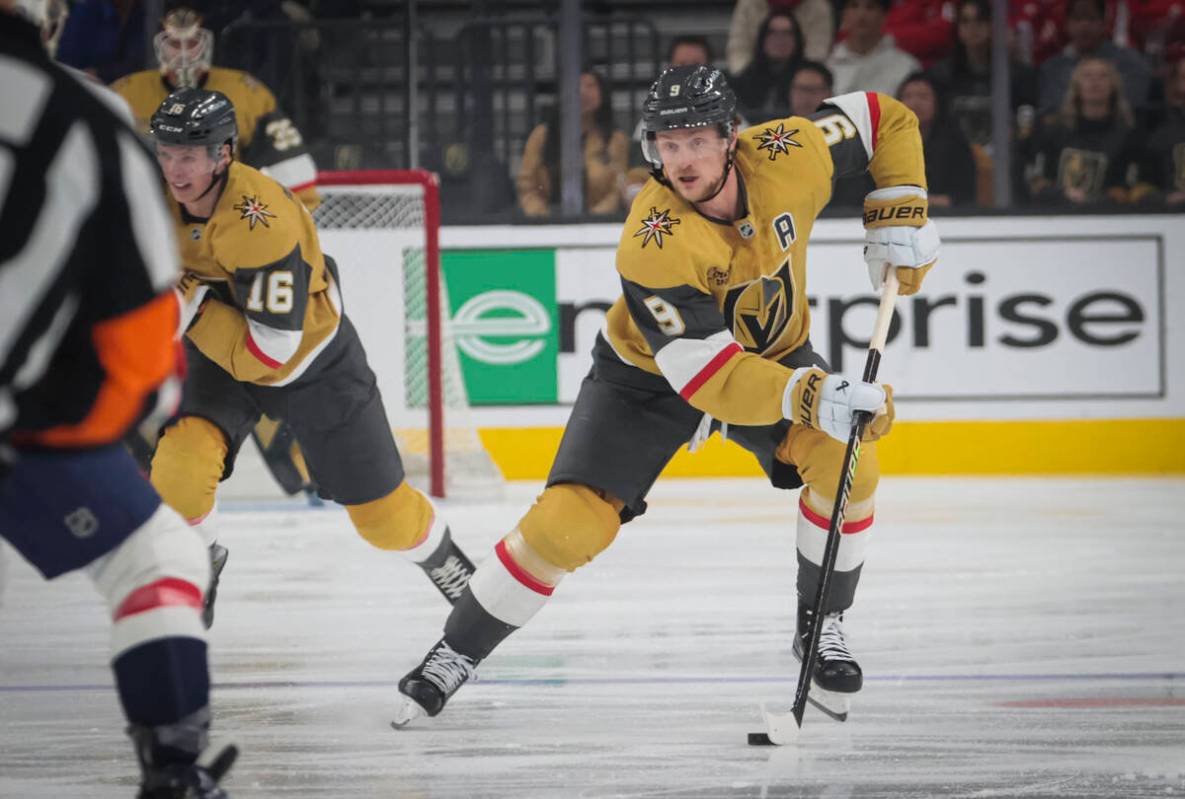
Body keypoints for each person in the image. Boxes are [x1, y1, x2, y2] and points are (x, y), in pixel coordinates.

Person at [392, 65, 940, 727]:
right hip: (648, 381)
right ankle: (455, 650)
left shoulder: (789, 152)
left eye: (694, 142)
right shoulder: (651, 240)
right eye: (666, 143)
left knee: (849, 462)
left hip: (770, 357)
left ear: (730, 136)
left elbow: (886, 119)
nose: (679, 160)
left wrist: (898, 209)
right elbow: (708, 378)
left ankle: (820, 625)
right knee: (566, 525)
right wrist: (814, 391)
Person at [0, 2, 236, 795]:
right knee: (159, 555)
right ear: (49, 18)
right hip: (16, 429)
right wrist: (76, 427)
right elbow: (141, 344)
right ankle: (173, 772)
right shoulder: (87, 114)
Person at [145, 87, 476, 629]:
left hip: (309, 358)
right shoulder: (149, 197)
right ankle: (199, 563)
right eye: (166, 153)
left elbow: (271, 351)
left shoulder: (263, 218)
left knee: (385, 521)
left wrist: (192, 306)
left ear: (224, 154)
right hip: (220, 348)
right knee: (179, 467)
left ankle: (461, 577)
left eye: (190, 155)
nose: (175, 170)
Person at [111, 6, 319, 210]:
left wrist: (293, 214)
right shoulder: (125, 94)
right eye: (175, 43)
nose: (183, 53)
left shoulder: (246, 91)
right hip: (152, 216)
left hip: (226, 214)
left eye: (191, 42)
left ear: (205, 43)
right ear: (160, 46)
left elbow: (287, 163)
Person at [1027, 56, 1153, 204]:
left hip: (1109, 218)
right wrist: (1063, 193)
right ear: (1076, 85)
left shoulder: (1128, 134)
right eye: (1087, 75)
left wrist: (1099, 200)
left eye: (1103, 76)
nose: (1095, 81)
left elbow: (1132, 186)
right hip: (1057, 215)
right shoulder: (1053, 129)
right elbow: (1037, 180)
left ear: (1113, 85)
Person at [517, 68, 629, 217]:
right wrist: (542, 217)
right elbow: (526, 186)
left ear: (602, 94)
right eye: (576, 87)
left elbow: (618, 189)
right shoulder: (541, 135)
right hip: (544, 225)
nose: (583, 92)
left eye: (591, 86)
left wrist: (593, 220)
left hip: (599, 226)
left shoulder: (616, 139)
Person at [926, 0, 1038, 148]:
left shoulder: (1018, 75)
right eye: (966, 21)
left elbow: (1027, 125)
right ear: (958, 29)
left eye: (980, 20)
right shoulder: (941, 74)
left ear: (992, 26)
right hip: (954, 156)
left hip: (1005, 157)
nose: (973, 27)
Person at [1038, 0, 1152, 113]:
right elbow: (1049, 113)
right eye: (1077, 19)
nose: (1084, 25)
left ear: (1104, 24)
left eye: (1091, 19)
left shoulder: (1130, 63)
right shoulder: (1052, 68)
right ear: (1066, 24)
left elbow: (1133, 109)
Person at [898, 72, 977, 206]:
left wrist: (925, 202)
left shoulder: (955, 144)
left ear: (937, 102)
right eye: (908, 96)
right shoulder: (883, 143)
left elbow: (965, 195)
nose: (914, 103)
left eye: (923, 97)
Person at [827, 0, 921, 96]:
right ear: (843, 14)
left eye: (870, 7)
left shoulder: (906, 66)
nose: (861, 14)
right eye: (854, 6)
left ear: (884, 16)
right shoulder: (828, 63)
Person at [732, 10, 805, 121]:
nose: (780, 39)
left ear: (797, 40)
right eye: (772, 33)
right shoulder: (743, 81)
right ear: (762, 39)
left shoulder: (809, 79)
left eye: (787, 33)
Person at [727, 0, 835, 68]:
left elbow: (816, 54)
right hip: (755, 75)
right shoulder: (748, 3)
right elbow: (738, 49)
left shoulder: (819, 6)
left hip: (801, 80)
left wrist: (797, 82)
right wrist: (745, 79)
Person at [1145, 57, 1185, 204]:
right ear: (1176, 84)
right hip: (1172, 216)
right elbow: (1143, 186)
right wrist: (1166, 198)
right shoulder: (1158, 130)